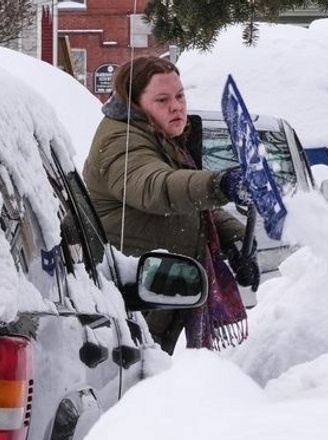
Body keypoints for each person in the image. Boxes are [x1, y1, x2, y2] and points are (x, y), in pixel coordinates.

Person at [83, 55, 260, 354]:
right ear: (135, 103)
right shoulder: (121, 141)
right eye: (162, 99)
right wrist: (219, 185)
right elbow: (156, 186)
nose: (176, 106)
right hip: (130, 305)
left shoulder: (160, 136)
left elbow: (191, 207)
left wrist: (236, 239)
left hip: (157, 293)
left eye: (179, 96)